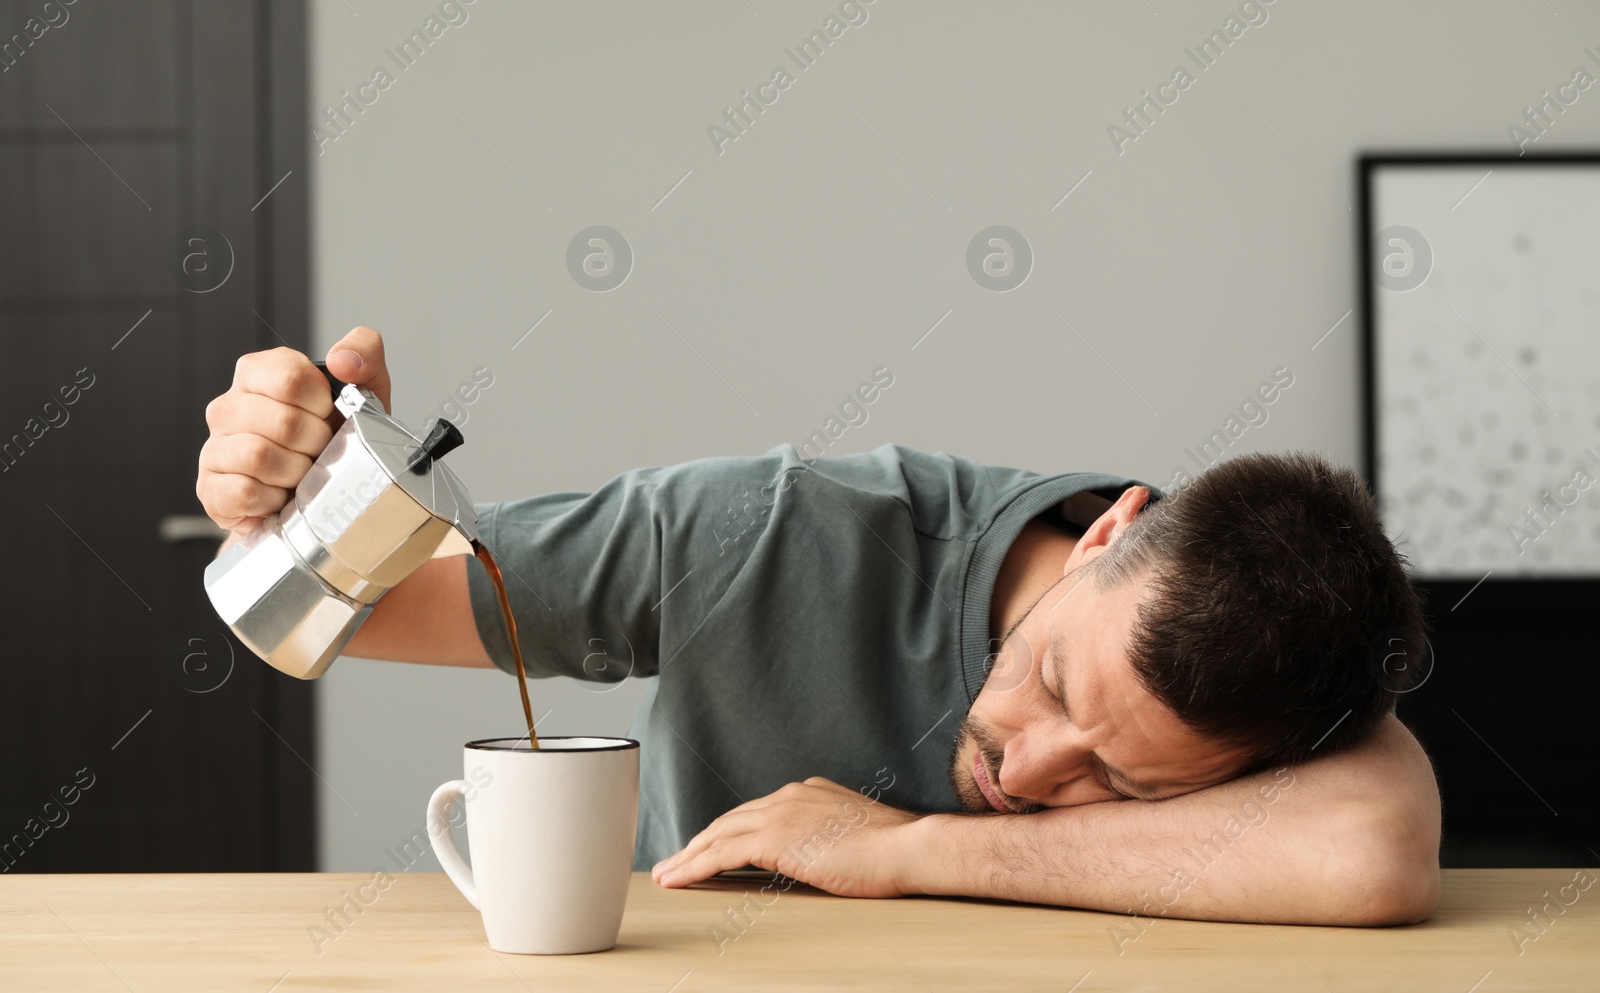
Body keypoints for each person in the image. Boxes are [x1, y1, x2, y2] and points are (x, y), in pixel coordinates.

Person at [196, 327, 1441, 927]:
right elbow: (340, 611)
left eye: (1122, 779)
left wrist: (902, 847)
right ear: (1115, 529)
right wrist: (296, 499)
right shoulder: (772, 527)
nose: (1030, 769)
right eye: (1057, 685)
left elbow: (1370, 857)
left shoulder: (1275, 683)